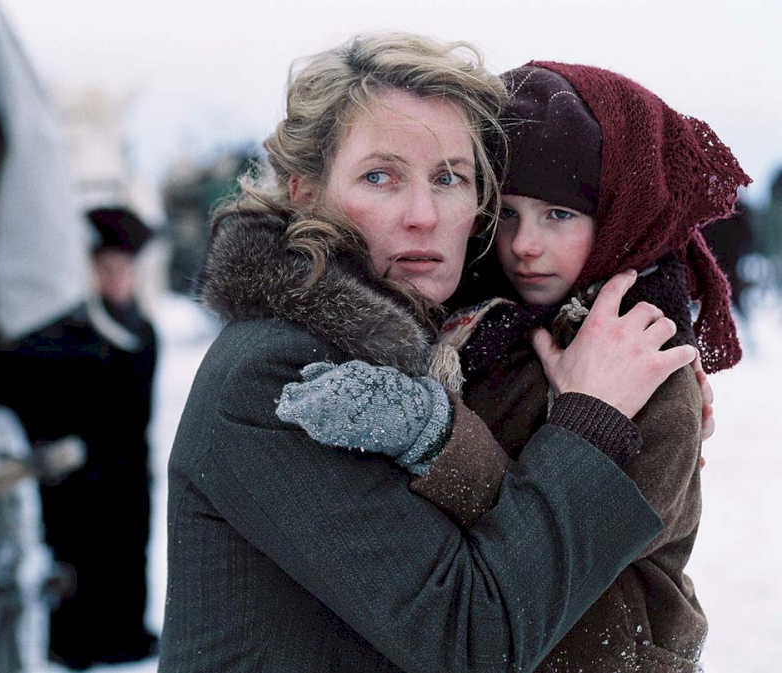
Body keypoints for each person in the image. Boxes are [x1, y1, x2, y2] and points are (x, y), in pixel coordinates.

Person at [159, 33, 700, 672]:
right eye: (381, 176)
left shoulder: (436, 347)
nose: (423, 214)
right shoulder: (280, 372)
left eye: (450, 178)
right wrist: (591, 422)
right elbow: (472, 639)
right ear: (305, 191)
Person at [280, 62, 750, 672]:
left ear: (615, 215)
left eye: (560, 214)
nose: (526, 244)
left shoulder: (645, 347)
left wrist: (440, 439)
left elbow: (599, 529)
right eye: (507, 213)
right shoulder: (478, 321)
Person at [0, 206, 159, 667]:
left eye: (125, 270)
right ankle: (73, 639)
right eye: (108, 269)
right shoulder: (62, 333)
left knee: (124, 555)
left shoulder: (141, 330)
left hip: (123, 470)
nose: (118, 281)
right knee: (74, 557)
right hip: (70, 476)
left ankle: (122, 633)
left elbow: (136, 413)